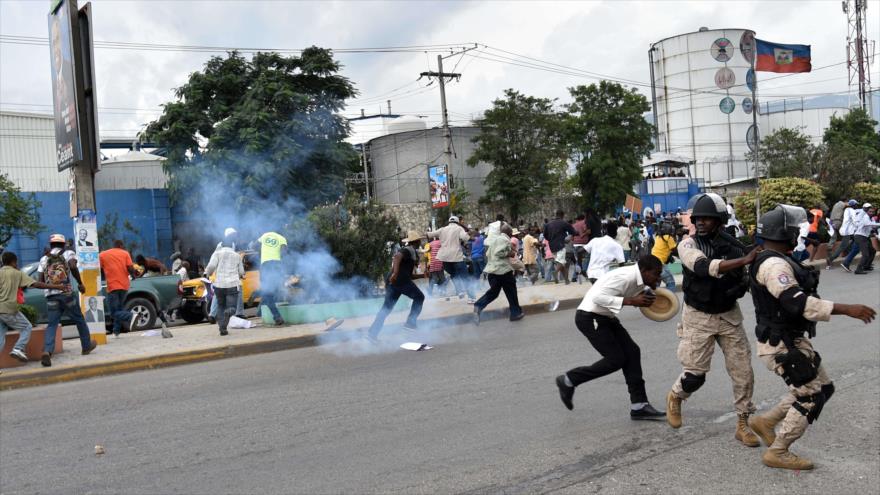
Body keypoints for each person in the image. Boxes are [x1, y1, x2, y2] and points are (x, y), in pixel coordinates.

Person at [747, 205, 876, 470]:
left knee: (824, 388)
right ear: (785, 233)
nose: (799, 233)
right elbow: (797, 302)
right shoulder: (773, 265)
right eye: (795, 230)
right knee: (810, 397)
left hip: (793, 339)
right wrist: (847, 309)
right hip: (780, 344)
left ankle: (766, 421)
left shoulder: (781, 258)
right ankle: (779, 451)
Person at [665, 193, 761, 447]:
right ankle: (676, 396)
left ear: (719, 221)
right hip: (698, 316)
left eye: (709, 218)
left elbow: (752, 271)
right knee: (695, 375)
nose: (702, 222)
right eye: (699, 218)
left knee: (743, 373)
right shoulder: (687, 245)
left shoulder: (733, 245)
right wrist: (744, 259)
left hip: (729, 315)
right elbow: (701, 267)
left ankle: (743, 423)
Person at [554, 255, 666, 420]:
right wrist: (631, 301)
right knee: (616, 359)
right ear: (644, 271)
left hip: (606, 317)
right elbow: (597, 298)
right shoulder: (625, 277)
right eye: (656, 274)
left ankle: (639, 405)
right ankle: (569, 379)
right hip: (589, 317)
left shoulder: (640, 279)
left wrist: (647, 295)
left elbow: (641, 294)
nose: (658, 277)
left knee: (632, 352)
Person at [1, 251, 69, 364]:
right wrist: (57, 286)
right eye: (16, 262)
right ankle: (18, 348)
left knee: (0, 337)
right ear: (14, 262)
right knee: (26, 327)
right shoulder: (17, 273)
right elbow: (36, 284)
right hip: (8, 308)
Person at [39, 234, 97, 367]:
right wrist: (80, 283)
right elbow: (73, 266)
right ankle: (86, 346)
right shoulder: (68, 253)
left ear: (51, 244)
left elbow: (40, 280)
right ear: (63, 244)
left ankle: (47, 351)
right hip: (67, 294)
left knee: (52, 324)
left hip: (51, 295)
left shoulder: (44, 258)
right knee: (78, 319)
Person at [367, 231, 426, 342]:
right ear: (416, 241)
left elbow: (409, 275)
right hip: (399, 281)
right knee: (419, 297)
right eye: (419, 241)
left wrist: (423, 275)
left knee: (386, 309)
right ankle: (410, 323)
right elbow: (397, 257)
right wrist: (395, 273)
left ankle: (371, 334)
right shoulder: (408, 250)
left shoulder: (412, 252)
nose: (420, 242)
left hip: (394, 283)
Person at [473, 223, 523, 325]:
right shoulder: (504, 239)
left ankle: (479, 305)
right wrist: (510, 253)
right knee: (511, 292)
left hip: (492, 271)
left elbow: (489, 254)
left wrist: (510, 250)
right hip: (503, 271)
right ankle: (515, 313)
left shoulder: (494, 240)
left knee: (494, 292)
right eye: (511, 233)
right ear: (509, 232)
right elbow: (498, 253)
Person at [427, 216, 475, 302]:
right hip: (456, 256)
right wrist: (471, 235)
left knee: (454, 274)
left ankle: (459, 291)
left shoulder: (442, 229)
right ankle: (471, 297)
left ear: (449, 222)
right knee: (465, 277)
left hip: (444, 258)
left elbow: (429, 234)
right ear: (457, 222)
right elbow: (466, 238)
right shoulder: (459, 228)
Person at [205, 237, 245, 336]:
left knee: (220, 306)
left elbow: (211, 267)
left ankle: (222, 328)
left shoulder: (217, 253)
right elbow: (241, 272)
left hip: (219, 285)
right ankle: (228, 312)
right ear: (232, 245)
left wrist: (207, 274)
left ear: (221, 245)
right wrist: (241, 275)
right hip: (232, 285)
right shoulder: (237, 256)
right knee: (232, 308)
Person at [99, 240, 138, 337]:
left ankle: (131, 316)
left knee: (113, 312)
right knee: (119, 309)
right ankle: (116, 331)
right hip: (124, 286)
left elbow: (98, 268)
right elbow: (130, 268)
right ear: (121, 245)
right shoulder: (125, 253)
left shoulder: (103, 254)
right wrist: (133, 275)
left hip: (113, 286)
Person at [257, 230, 288, 326]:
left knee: (267, 292)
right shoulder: (282, 238)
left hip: (265, 264)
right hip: (276, 265)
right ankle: (263, 312)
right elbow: (284, 252)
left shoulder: (264, 235)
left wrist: (263, 255)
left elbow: (255, 246)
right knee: (272, 291)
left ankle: (275, 316)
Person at [543, 210, 576, 285]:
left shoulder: (548, 224)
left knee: (561, 263)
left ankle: (566, 280)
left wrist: (550, 240)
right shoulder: (564, 223)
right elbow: (573, 232)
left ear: (556, 215)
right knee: (561, 262)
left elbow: (545, 235)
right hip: (560, 245)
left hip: (552, 246)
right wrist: (572, 235)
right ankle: (555, 272)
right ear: (563, 215)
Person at [827, 199, 859, 269]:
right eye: (856, 205)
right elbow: (853, 219)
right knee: (843, 245)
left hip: (832, 222)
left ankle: (846, 253)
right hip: (843, 227)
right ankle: (831, 258)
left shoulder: (836, 204)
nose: (857, 206)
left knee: (853, 240)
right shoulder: (847, 208)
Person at [850, 203, 880, 274]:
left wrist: (876, 227)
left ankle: (867, 266)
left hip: (865, 237)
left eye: (873, 212)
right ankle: (858, 270)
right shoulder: (865, 217)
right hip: (860, 236)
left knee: (872, 251)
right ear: (867, 211)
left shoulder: (870, 218)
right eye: (870, 211)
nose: (871, 213)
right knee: (865, 254)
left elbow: (872, 226)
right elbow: (868, 224)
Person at [651, 223, 678, 290]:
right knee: (671, 283)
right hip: (660, 264)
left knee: (656, 283)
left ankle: (656, 299)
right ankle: (670, 299)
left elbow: (662, 249)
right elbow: (675, 250)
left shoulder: (658, 237)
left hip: (652, 262)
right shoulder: (669, 237)